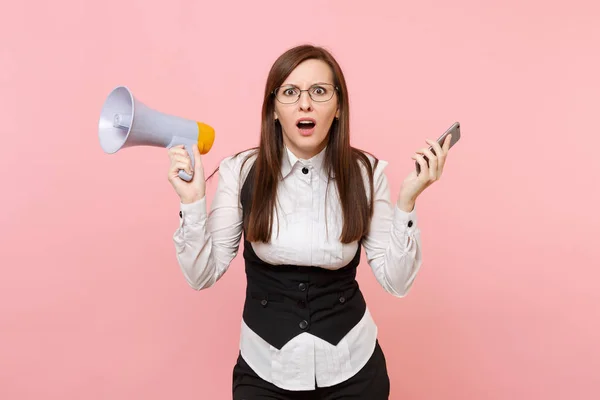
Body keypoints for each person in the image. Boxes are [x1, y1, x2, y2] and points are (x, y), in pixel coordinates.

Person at [167, 44, 452, 399]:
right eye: (290, 92)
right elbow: (201, 275)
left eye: (319, 91)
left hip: (353, 368)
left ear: (337, 108)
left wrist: (407, 201)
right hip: (264, 368)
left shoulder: (366, 174)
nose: (305, 103)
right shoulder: (240, 171)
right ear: (273, 109)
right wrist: (192, 202)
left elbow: (397, 283)